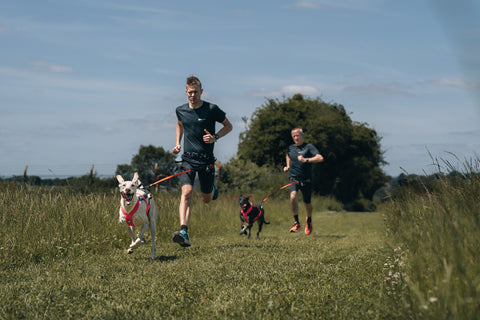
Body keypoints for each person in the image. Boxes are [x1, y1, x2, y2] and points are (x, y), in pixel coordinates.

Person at [172, 76, 233, 247]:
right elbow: (179, 124)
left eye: (196, 92)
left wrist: (215, 137)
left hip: (206, 161)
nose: (193, 95)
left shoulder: (212, 109)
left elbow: (229, 126)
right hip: (187, 160)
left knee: (206, 199)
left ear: (201, 91)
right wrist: (177, 143)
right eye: (190, 92)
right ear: (186, 92)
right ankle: (184, 231)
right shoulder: (180, 110)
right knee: (187, 193)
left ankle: (212, 189)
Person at [283, 128, 324, 235]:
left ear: (302, 135)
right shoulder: (291, 147)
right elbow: (288, 155)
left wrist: (306, 160)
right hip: (293, 178)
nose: (296, 138)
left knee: (307, 204)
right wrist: (287, 166)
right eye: (294, 136)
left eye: (298, 135)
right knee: (292, 196)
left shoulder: (308, 147)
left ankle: (309, 220)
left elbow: (320, 158)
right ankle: (296, 223)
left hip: (306, 179)